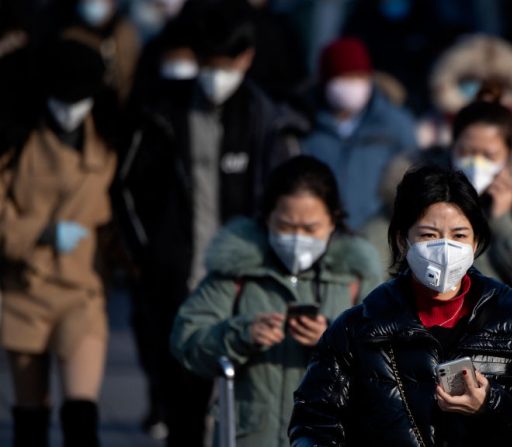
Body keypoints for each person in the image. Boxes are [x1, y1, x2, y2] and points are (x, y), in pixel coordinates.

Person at [116, 1, 309, 444]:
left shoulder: (265, 120)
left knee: (248, 410)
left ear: (246, 59)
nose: (215, 75)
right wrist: (148, 254)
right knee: (182, 405)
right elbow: (127, 187)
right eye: (207, 63)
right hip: (178, 280)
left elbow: (285, 195)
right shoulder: (162, 114)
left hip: (247, 283)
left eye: (226, 64)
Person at [289, 165, 512, 446]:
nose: (445, 249)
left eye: (459, 235)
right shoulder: (358, 330)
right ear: (402, 240)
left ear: (475, 243)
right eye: (428, 235)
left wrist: (491, 403)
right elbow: (315, 421)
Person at [170, 155, 382, 447]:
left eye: (310, 228)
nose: (297, 239)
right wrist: (240, 334)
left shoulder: (358, 278)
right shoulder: (236, 271)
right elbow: (186, 340)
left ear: (333, 221)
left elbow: (386, 364)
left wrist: (333, 342)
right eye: (285, 226)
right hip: (247, 436)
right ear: (267, 216)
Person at [0, 39, 116, 447]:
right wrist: (40, 232)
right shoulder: (15, 141)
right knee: (30, 415)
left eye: (81, 98)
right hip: (23, 290)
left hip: (81, 288)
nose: (72, 107)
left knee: (81, 412)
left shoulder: (108, 138)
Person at [363, 98, 512, 288]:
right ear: (452, 146)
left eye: (488, 155)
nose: (477, 163)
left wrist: (503, 221)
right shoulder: (417, 193)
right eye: (466, 152)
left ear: (509, 155)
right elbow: (374, 249)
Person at [301, 37, 416, 230]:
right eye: (344, 78)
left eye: (359, 77)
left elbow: (413, 174)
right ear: (325, 81)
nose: (352, 85)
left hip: (378, 232)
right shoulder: (303, 122)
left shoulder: (395, 123)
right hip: (318, 229)